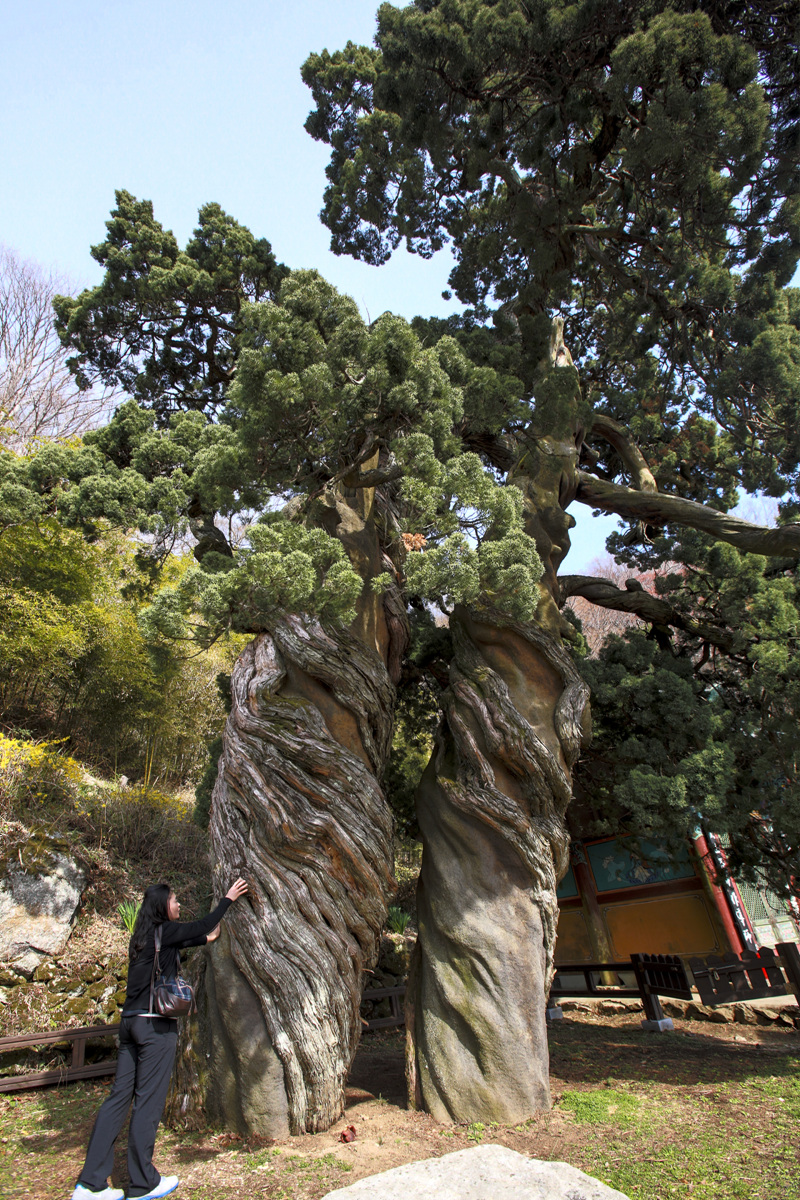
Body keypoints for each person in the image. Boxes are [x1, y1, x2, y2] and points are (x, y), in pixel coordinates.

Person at [71, 877, 249, 1200]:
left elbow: (177, 944)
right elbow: (201, 924)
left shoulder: (142, 936)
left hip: (130, 1024)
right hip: (154, 1028)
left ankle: (89, 1185)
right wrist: (228, 898)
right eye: (174, 900)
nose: (178, 904)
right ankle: (143, 1184)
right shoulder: (165, 931)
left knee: (118, 1100)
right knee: (148, 1103)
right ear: (161, 907)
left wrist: (205, 940)